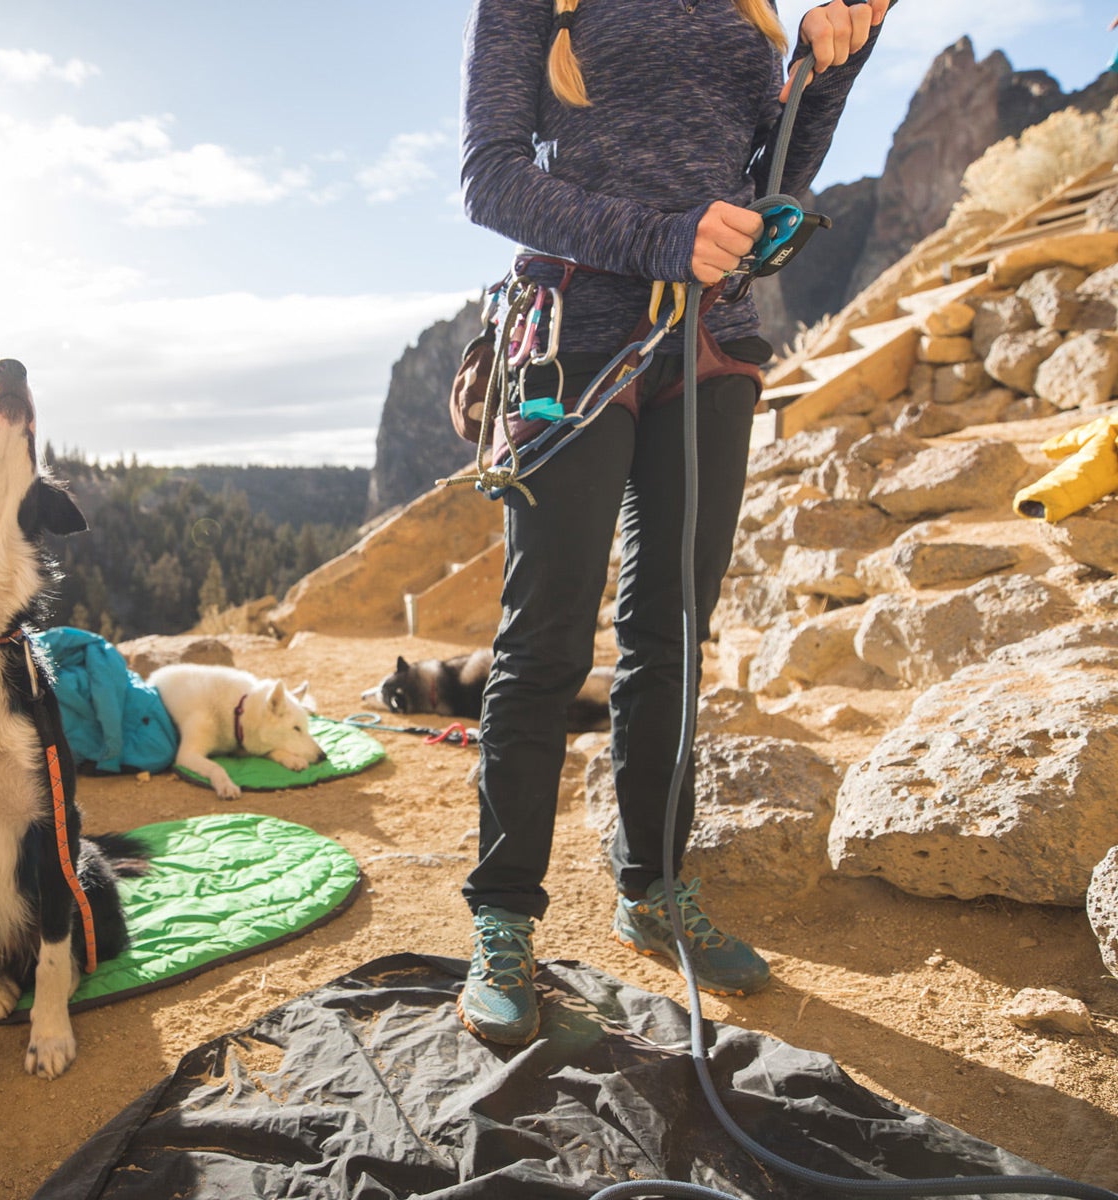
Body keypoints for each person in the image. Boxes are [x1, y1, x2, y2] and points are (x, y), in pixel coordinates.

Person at [456, 0, 888, 1046]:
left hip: (714, 345)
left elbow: (766, 182)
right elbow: (491, 176)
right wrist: (662, 240)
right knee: (547, 637)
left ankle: (652, 887)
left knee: (673, 632)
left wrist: (827, 70)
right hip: (576, 345)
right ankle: (504, 918)